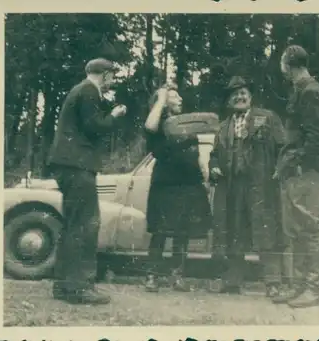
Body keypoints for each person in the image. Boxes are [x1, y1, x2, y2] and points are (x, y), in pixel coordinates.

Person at [47, 58, 127, 305]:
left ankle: (64, 285)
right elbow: (95, 127)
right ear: (103, 75)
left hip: (68, 164)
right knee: (86, 223)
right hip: (77, 165)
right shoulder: (89, 91)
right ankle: (81, 287)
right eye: (112, 76)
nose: (112, 80)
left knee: (73, 225)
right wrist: (114, 115)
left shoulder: (80, 91)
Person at [208, 76, 286, 297]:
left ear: (250, 97)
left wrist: (280, 169)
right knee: (234, 231)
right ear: (229, 102)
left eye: (243, 93)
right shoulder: (223, 128)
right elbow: (214, 155)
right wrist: (213, 166)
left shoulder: (267, 118)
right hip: (233, 187)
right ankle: (232, 281)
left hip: (261, 186)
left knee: (266, 232)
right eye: (235, 95)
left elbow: (284, 146)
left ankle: (273, 283)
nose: (239, 97)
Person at [273, 45, 319, 308]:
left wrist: (295, 162)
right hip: (297, 171)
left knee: (310, 229)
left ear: (288, 64)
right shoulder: (301, 90)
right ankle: (299, 286)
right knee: (296, 230)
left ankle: (313, 289)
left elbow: (317, 138)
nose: (281, 68)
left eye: (282, 63)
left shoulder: (311, 92)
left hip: (308, 172)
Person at [143, 84, 213, 293]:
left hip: (189, 183)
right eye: (175, 96)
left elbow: (196, 152)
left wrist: (205, 176)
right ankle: (152, 276)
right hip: (166, 184)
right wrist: (161, 98)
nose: (181, 99)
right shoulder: (158, 123)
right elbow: (149, 127)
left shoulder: (187, 124)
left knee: (183, 232)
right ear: (163, 101)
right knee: (160, 232)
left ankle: (177, 277)